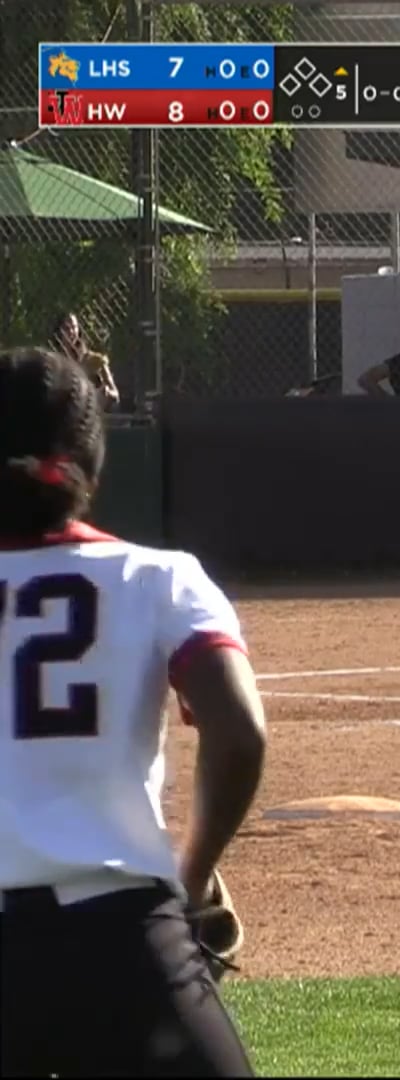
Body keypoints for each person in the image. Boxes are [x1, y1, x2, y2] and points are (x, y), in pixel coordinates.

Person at [0, 346, 266, 1077]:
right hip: (120, 949)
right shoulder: (159, 577)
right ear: (93, 454)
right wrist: (194, 874)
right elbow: (239, 734)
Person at [49, 312, 119, 408]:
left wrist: (104, 393)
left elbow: (115, 394)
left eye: (74, 327)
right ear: (59, 331)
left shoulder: (95, 360)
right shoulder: (53, 361)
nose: (71, 331)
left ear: (79, 330)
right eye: (66, 328)